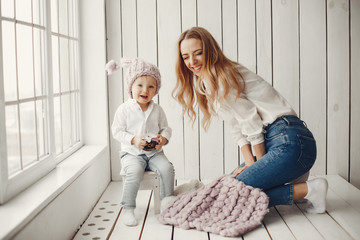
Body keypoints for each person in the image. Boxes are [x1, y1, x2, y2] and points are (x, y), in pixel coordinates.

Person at [173, 27, 328, 213]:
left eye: (198, 53)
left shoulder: (223, 75)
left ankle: (308, 190)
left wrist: (259, 167)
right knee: (224, 190)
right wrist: (249, 164)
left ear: (211, 51)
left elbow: (251, 123)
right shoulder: (208, 81)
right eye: (185, 57)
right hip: (282, 141)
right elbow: (236, 127)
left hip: (288, 141)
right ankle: (298, 187)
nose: (192, 62)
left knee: (232, 196)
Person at [109, 58, 174, 226]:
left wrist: (163, 139)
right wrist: (133, 139)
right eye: (140, 85)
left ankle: (168, 203)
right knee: (134, 172)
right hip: (131, 154)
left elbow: (166, 128)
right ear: (131, 86)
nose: (145, 90)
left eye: (151, 86)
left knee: (167, 168)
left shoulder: (157, 110)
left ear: (156, 90)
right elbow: (116, 131)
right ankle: (128, 208)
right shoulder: (124, 109)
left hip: (154, 153)